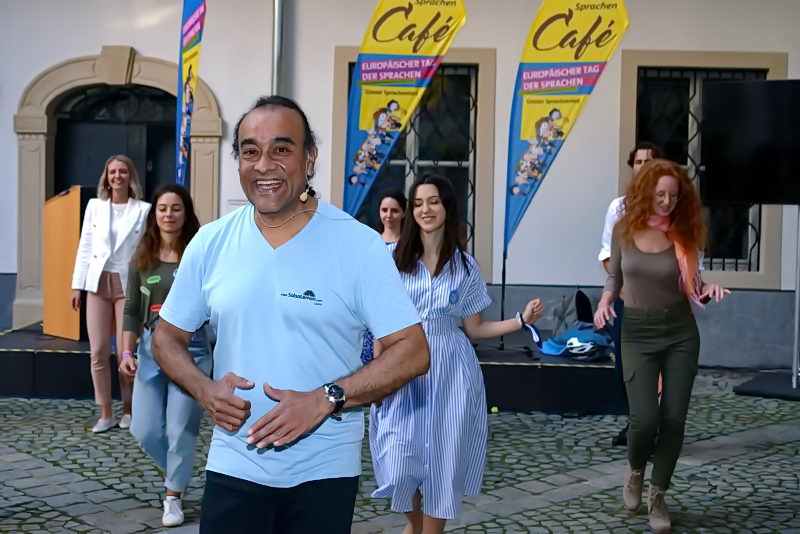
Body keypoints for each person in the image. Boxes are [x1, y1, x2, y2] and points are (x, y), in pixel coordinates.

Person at [151, 95, 429, 534]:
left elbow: (412, 351)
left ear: (309, 158)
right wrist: (204, 390)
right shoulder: (210, 242)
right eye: (250, 151)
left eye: (281, 149)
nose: (264, 165)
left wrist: (325, 398)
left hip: (324, 471)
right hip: (234, 463)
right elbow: (166, 338)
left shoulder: (357, 245)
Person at [369, 174, 545, 534]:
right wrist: (376, 377)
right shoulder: (391, 259)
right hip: (403, 365)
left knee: (443, 460)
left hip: (451, 370)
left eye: (433, 201)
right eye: (418, 203)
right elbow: (380, 325)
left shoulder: (464, 266)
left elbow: (475, 329)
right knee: (399, 460)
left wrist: (520, 321)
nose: (425, 210)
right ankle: (415, 525)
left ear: (447, 207)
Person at [594, 159, 730, 533]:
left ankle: (658, 494)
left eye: (673, 195)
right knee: (643, 420)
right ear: (645, 193)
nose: (667, 201)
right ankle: (636, 469)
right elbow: (614, 276)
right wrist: (605, 301)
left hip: (680, 333)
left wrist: (710, 289)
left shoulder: (684, 234)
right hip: (637, 332)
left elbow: (694, 285)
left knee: (673, 418)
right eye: (660, 194)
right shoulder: (624, 229)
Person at [118, 184, 209, 527]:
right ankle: (178, 472)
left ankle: (173, 496)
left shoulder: (199, 255)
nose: (169, 214)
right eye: (162, 208)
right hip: (149, 349)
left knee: (180, 428)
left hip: (192, 349)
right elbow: (131, 309)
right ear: (154, 214)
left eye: (176, 208)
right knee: (142, 429)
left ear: (186, 213)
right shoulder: (141, 259)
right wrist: (126, 351)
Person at [71, 155, 150, 433]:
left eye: (123, 171)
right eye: (112, 172)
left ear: (130, 176)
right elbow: (85, 246)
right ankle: (105, 412)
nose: (117, 176)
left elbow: (146, 251)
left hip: (128, 284)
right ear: (106, 177)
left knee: (125, 352)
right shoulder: (95, 207)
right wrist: (77, 285)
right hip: (97, 282)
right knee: (98, 351)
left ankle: (128, 409)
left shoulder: (143, 210)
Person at [599, 142, 663, 447]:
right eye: (638, 162)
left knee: (657, 364)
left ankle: (654, 428)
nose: (644, 166)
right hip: (629, 299)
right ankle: (637, 422)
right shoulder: (619, 207)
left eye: (650, 160)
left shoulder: (671, 206)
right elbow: (607, 254)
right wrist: (621, 286)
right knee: (627, 366)